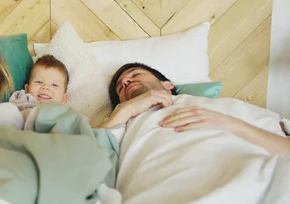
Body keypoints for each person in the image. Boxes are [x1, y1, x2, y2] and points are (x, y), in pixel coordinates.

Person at [100, 62, 290, 155]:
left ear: (167, 85)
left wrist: (229, 124)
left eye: (135, 74)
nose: (125, 81)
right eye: (120, 88)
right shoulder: (120, 125)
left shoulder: (227, 105)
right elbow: (79, 167)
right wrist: (124, 111)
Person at [0, 54, 70, 130]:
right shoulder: (21, 101)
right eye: (39, 82)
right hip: (17, 134)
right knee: (3, 110)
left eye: (54, 85)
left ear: (64, 98)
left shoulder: (64, 113)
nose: (45, 87)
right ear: (27, 89)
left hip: (47, 139)